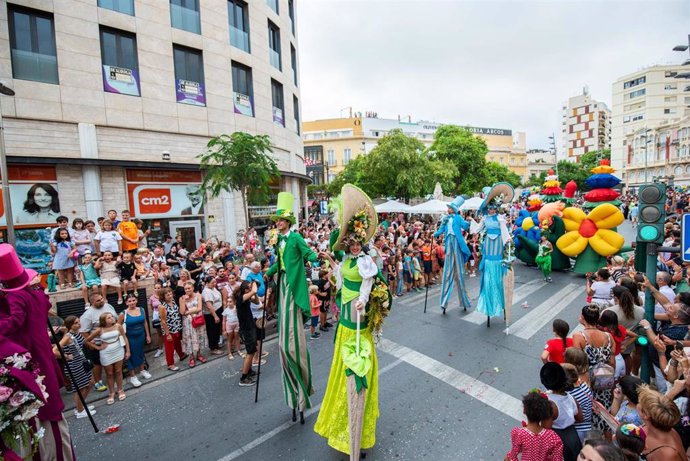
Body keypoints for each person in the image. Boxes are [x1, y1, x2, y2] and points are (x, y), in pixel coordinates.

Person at [315, 184, 388, 456]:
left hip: (358, 321)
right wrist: (332, 265)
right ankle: (344, 426)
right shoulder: (346, 259)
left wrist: (364, 300)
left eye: (356, 242)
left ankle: (357, 431)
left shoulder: (366, 261)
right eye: (350, 242)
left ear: (361, 242)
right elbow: (341, 281)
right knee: (342, 376)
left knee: (359, 376)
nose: (353, 245)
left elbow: (368, 283)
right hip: (344, 324)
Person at [0, 244, 75, 459]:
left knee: (41, 422)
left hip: (31, 365)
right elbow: (43, 302)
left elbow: (15, 321)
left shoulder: (16, 298)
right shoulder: (35, 295)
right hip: (44, 362)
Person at [264, 192, 318, 420]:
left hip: (294, 285)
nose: (279, 222)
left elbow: (308, 254)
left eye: (282, 220)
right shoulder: (277, 239)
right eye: (277, 220)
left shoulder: (295, 238)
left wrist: (318, 257)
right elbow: (279, 263)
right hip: (282, 283)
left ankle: (302, 388)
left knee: (291, 342)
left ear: (289, 222)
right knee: (284, 343)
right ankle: (293, 390)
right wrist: (268, 272)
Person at [471, 183, 514, 327]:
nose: (490, 210)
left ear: (496, 208)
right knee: (488, 282)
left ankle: (501, 306)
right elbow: (476, 229)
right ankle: (489, 306)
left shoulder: (500, 219)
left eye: (493, 208)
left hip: (498, 254)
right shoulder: (485, 219)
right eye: (489, 208)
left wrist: (508, 243)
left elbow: (505, 234)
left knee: (498, 283)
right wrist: (470, 223)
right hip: (488, 254)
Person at [572, 305, 615, 435]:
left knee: (588, 410)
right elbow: (612, 362)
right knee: (603, 411)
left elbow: (578, 364)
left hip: (587, 380)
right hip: (605, 380)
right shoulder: (608, 337)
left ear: (583, 318)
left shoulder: (579, 336)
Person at [55, 316, 95, 419]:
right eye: (75, 323)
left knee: (90, 383)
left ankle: (80, 406)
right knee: (80, 388)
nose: (78, 324)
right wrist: (66, 356)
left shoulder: (77, 333)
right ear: (70, 325)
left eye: (78, 322)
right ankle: (80, 410)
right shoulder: (68, 336)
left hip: (82, 362)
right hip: (74, 365)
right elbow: (55, 350)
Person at [505, 390, 564, 461]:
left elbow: (512, 456)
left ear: (524, 410)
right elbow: (557, 459)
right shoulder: (553, 437)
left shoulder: (518, 433)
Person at [541, 362, 582, 461]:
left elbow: (546, 430)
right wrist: (567, 421)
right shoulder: (571, 398)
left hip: (560, 440)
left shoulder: (550, 404)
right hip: (574, 438)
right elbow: (580, 418)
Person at [85, 312, 129, 405]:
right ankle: (111, 393)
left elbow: (124, 337)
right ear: (104, 321)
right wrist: (98, 347)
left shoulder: (118, 326)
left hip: (118, 350)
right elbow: (87, 340)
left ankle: (120, 390)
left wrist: (128, 350)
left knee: (118, 371)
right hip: (106, 352)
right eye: (109, 318)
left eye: (112, 316)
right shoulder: (99, 330)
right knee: (109, 373)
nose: (112, 318)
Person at [637, 385, 685, 460]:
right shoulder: (648, 427)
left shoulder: (668, 454)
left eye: (639, 402)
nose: (637, 404)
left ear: (646, 415)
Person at [119, 295, 151, 388]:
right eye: (129, 301)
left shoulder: (141, 309)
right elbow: (118, 326)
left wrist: (148, 335)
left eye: (133, 300)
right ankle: (132, 376)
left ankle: (142, 370)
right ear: (126, 303)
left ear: (136, 300)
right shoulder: (123, 313)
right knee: (130, 356)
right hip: (129, 338)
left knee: (140, 353)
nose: (132, 302)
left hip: (141, 335)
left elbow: (145, 322)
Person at [564, 348, 593, 444]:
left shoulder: (570, 395)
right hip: (588, 427)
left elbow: (571, 415)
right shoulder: (584, 385)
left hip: (577, 430)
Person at [236, 280, 260, 386]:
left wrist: (255, 292)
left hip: (250, 326)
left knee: (252, 349)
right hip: (246, 329)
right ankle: (244, 377)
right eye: (249, 287)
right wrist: (254, 284)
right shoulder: (241, 298)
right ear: (246, 290)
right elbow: (254, 290)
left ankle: (249, 371)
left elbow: (256, 301)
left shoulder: (247, 297)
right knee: (250, 352)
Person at [179, 280, 208, 367]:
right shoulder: (182, 298)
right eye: (185, 289)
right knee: (190, 338)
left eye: (189, 288)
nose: (187, 290)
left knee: (199, 336)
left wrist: (188, 312)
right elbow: (181, 311)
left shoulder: (198, 295)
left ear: (193, 288)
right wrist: (184, 301)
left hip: (198, 319)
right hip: (188, 322)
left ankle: (199, 354)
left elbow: (199, 308)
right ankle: (191, 357)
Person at [158, 287, 186, 371]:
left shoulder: (173, 301)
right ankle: (170, 364)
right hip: (169, 330)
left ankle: (181, 355)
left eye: (171, 294)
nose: (170, 296)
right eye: (167, 295)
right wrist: (167, 334)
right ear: (163, 296)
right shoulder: (162, 306)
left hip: (176, 327)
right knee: (169, 348)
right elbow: (163, 321)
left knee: (177, 343)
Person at [201, 276, 225, 355]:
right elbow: (209, 306)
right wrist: (215, 316)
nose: (214, 284)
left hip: (218, 310)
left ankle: (216, 345)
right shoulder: (207, 291)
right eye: (212, 283)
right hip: (211, 314)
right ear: (207, 283)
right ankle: (213, 348)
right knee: (212, 331)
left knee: (217, 330)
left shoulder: (212, 288)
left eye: (215, 282)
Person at [222, 290, 242, 360]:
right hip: (229, 326)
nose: (229, 303)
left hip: (236, 324)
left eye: (230, 302)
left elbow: (239, 316)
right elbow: (224, 321)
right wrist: (224, 330)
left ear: (234, 302)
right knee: (229, 339)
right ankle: (229, 353)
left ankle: (239, 350)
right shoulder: (226, 310)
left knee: (237, 338)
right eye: (227, 302)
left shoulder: (236, 308)